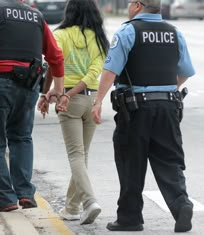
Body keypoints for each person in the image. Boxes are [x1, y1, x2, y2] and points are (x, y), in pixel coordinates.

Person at [92, 0, 195, 232]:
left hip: (135, 111)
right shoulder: (174, 33)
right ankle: (181, 204)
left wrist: (98, 101)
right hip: (168, 107)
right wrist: (164, 91)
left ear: (137, 5)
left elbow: (111, 70)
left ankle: (130, 218)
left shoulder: (129, 31)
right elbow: (185, 72)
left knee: (131, 161)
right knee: (169, 160)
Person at [0, 0, 64, 215]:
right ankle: (24, 193)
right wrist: (58, 90)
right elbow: (55, 56)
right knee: (21, 138)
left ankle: (4, 198)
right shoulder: (36, 16)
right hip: (28, 88)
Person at [38, 0, 109, 225]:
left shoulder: (60, 35)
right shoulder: (97, 38)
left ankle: (89, 202)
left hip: (69, 100)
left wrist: (54, 93)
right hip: (92, 100)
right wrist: (51, 92)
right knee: (82, 156)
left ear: (69, 11)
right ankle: (71, 207)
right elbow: (94, 71)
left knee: (76, 155)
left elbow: (52, 64)